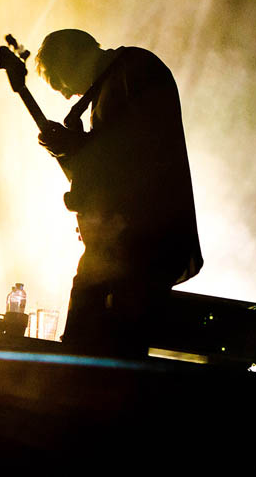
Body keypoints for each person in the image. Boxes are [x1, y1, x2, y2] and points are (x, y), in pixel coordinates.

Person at [29, 29, 202, 358]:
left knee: (108, 337)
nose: (66, 94)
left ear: (70, 59)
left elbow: (135, 152)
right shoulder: (122, 77)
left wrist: (76, 147)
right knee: (104, 335)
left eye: (61, 82)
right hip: (131, 239)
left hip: (141, 239)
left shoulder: (134, 69)